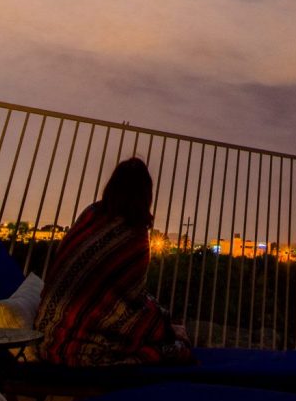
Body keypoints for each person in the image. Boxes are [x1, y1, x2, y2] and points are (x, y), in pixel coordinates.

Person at [34, 157, 193, 366]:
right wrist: (165, 327)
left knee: (158, 322)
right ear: (146, 194)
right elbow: (129, 302)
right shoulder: (134, 234)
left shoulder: (90, 214)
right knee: (176, 350)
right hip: (81, 350)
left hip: (47, 335)